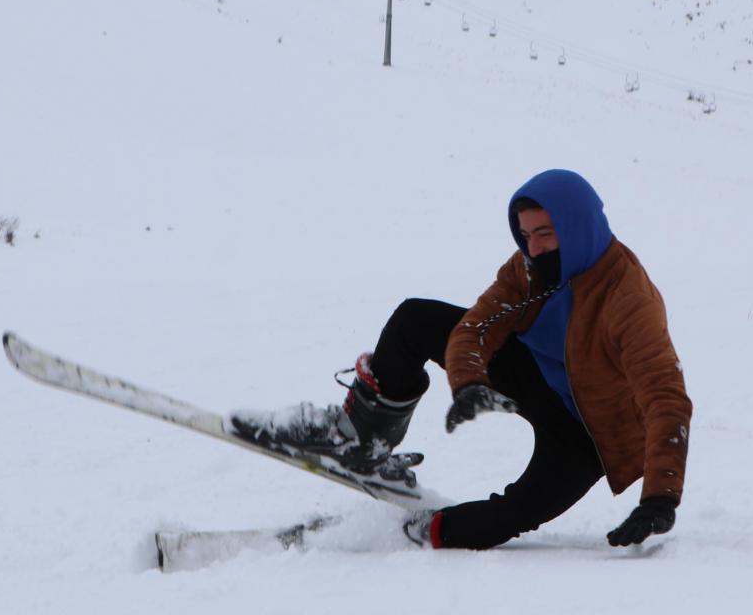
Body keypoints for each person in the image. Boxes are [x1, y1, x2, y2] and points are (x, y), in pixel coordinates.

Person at [232, 169, 692, 550]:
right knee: (416, 319)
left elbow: (665, 397)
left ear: (578, 225)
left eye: (546, 234)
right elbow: (475, 327)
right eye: (526, 234)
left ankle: (419, 530)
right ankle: (362, 435)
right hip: (535, 376)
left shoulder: (629, 299)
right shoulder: (528, 270)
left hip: (591, 432)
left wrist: (660, 498)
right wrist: (468, 381)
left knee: (509, 516)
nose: (534, 248)